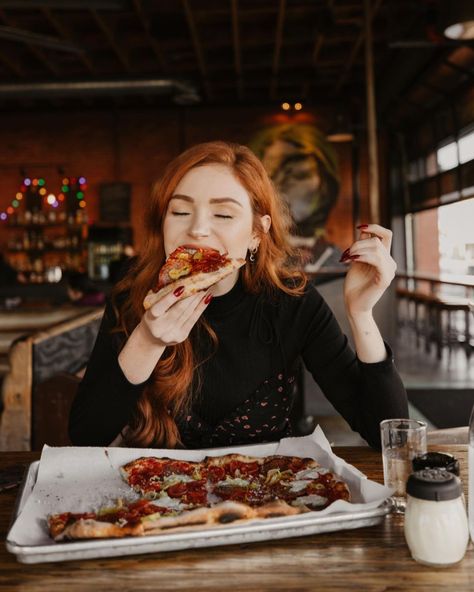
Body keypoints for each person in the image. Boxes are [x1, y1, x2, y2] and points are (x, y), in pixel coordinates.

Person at [69, 141, 408, 450]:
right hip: (153, 505)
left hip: (264, 503)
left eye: (223, 214)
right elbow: (85, 438)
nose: (198, 228)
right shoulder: (131, 298)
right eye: (180, 212)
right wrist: (146, 339)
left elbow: (387, 436)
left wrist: (362, 314)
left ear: (256, 234)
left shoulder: (293, 303)